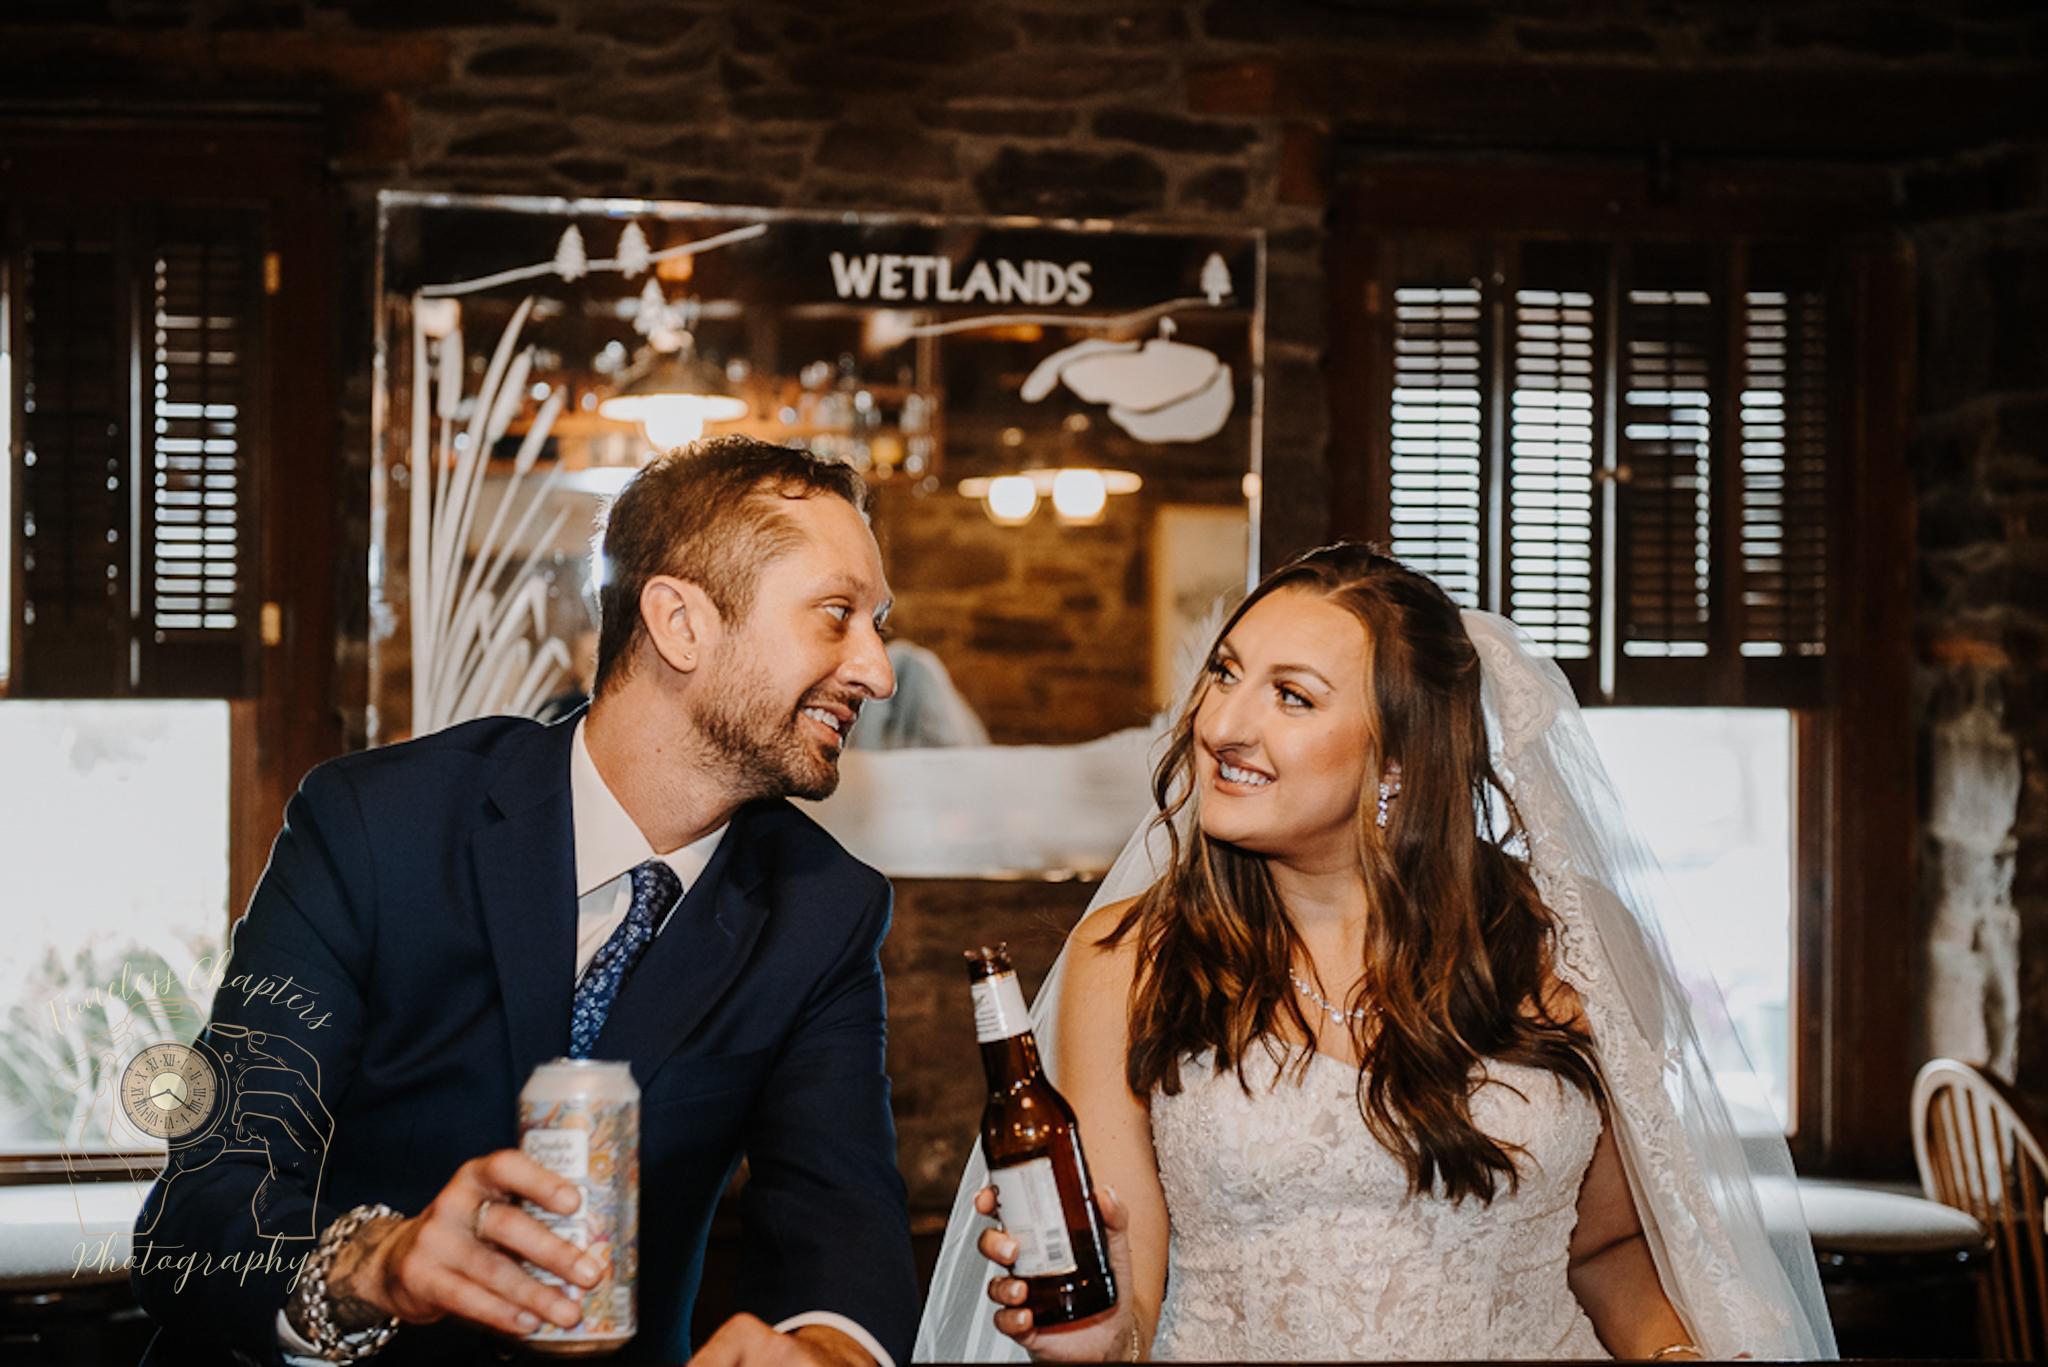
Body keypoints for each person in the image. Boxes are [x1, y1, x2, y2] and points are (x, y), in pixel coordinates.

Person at [917, 543, 1835, 1362]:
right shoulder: (1128, 962)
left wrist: (1674, 1352)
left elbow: (1607, 1247)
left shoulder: (1566, 942)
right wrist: (1099, 1338)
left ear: (1398, 758)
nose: (1222, 724)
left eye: (1291, 696)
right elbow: (1131, 1308)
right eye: (1225, 674)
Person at [133, 437, 919, 1367]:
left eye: (876, 624)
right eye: (838, 615)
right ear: (680, 623)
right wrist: (376, 1266)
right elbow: (203, 1205)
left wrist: (826, 1350)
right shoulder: (377, 826)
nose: (879, 671)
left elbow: (844, 1228)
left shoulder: (824, 911)